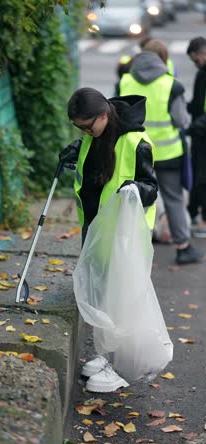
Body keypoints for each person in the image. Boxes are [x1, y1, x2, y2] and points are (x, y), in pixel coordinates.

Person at [60, 87, 158, 392]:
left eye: (88, 126)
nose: (85, 132)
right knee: (105, 299)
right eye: (79, 128)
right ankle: (107, 356)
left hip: (124, 237)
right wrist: (76, 150)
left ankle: (124, 368)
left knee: (124, 301)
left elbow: (151, 188)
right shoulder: (94, 137)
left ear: (104, 115)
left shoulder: (136, 143)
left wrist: (134, 189)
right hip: (97, 231)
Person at [117, 40, 204, 264]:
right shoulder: (171, 85)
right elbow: (181, 119)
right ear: (163, 59)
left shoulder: (125, 81)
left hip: (136, 152)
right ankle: (183, 247)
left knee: (137, 199)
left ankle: (135, 249)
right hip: (168, 154)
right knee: (173, 198)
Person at [186, 37, 206, 237]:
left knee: (202, 178)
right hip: (200, 135)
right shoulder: (202, 73)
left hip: (201, 133)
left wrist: (190, 128)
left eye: (196, 59)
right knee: (197, 176)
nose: (195, 64)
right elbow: (197, 104)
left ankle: (203, 222)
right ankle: (192, 214)